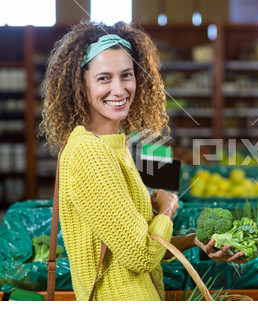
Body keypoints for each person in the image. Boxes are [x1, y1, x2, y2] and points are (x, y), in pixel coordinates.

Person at [40, 21, 246, 301]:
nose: (119, 89)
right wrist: (168, 208)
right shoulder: (88, 152)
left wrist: (194, 241)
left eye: (126, 75)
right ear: (80, 84)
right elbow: (140, 255)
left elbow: (144, 242)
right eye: (104, 78)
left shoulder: (116, 145)